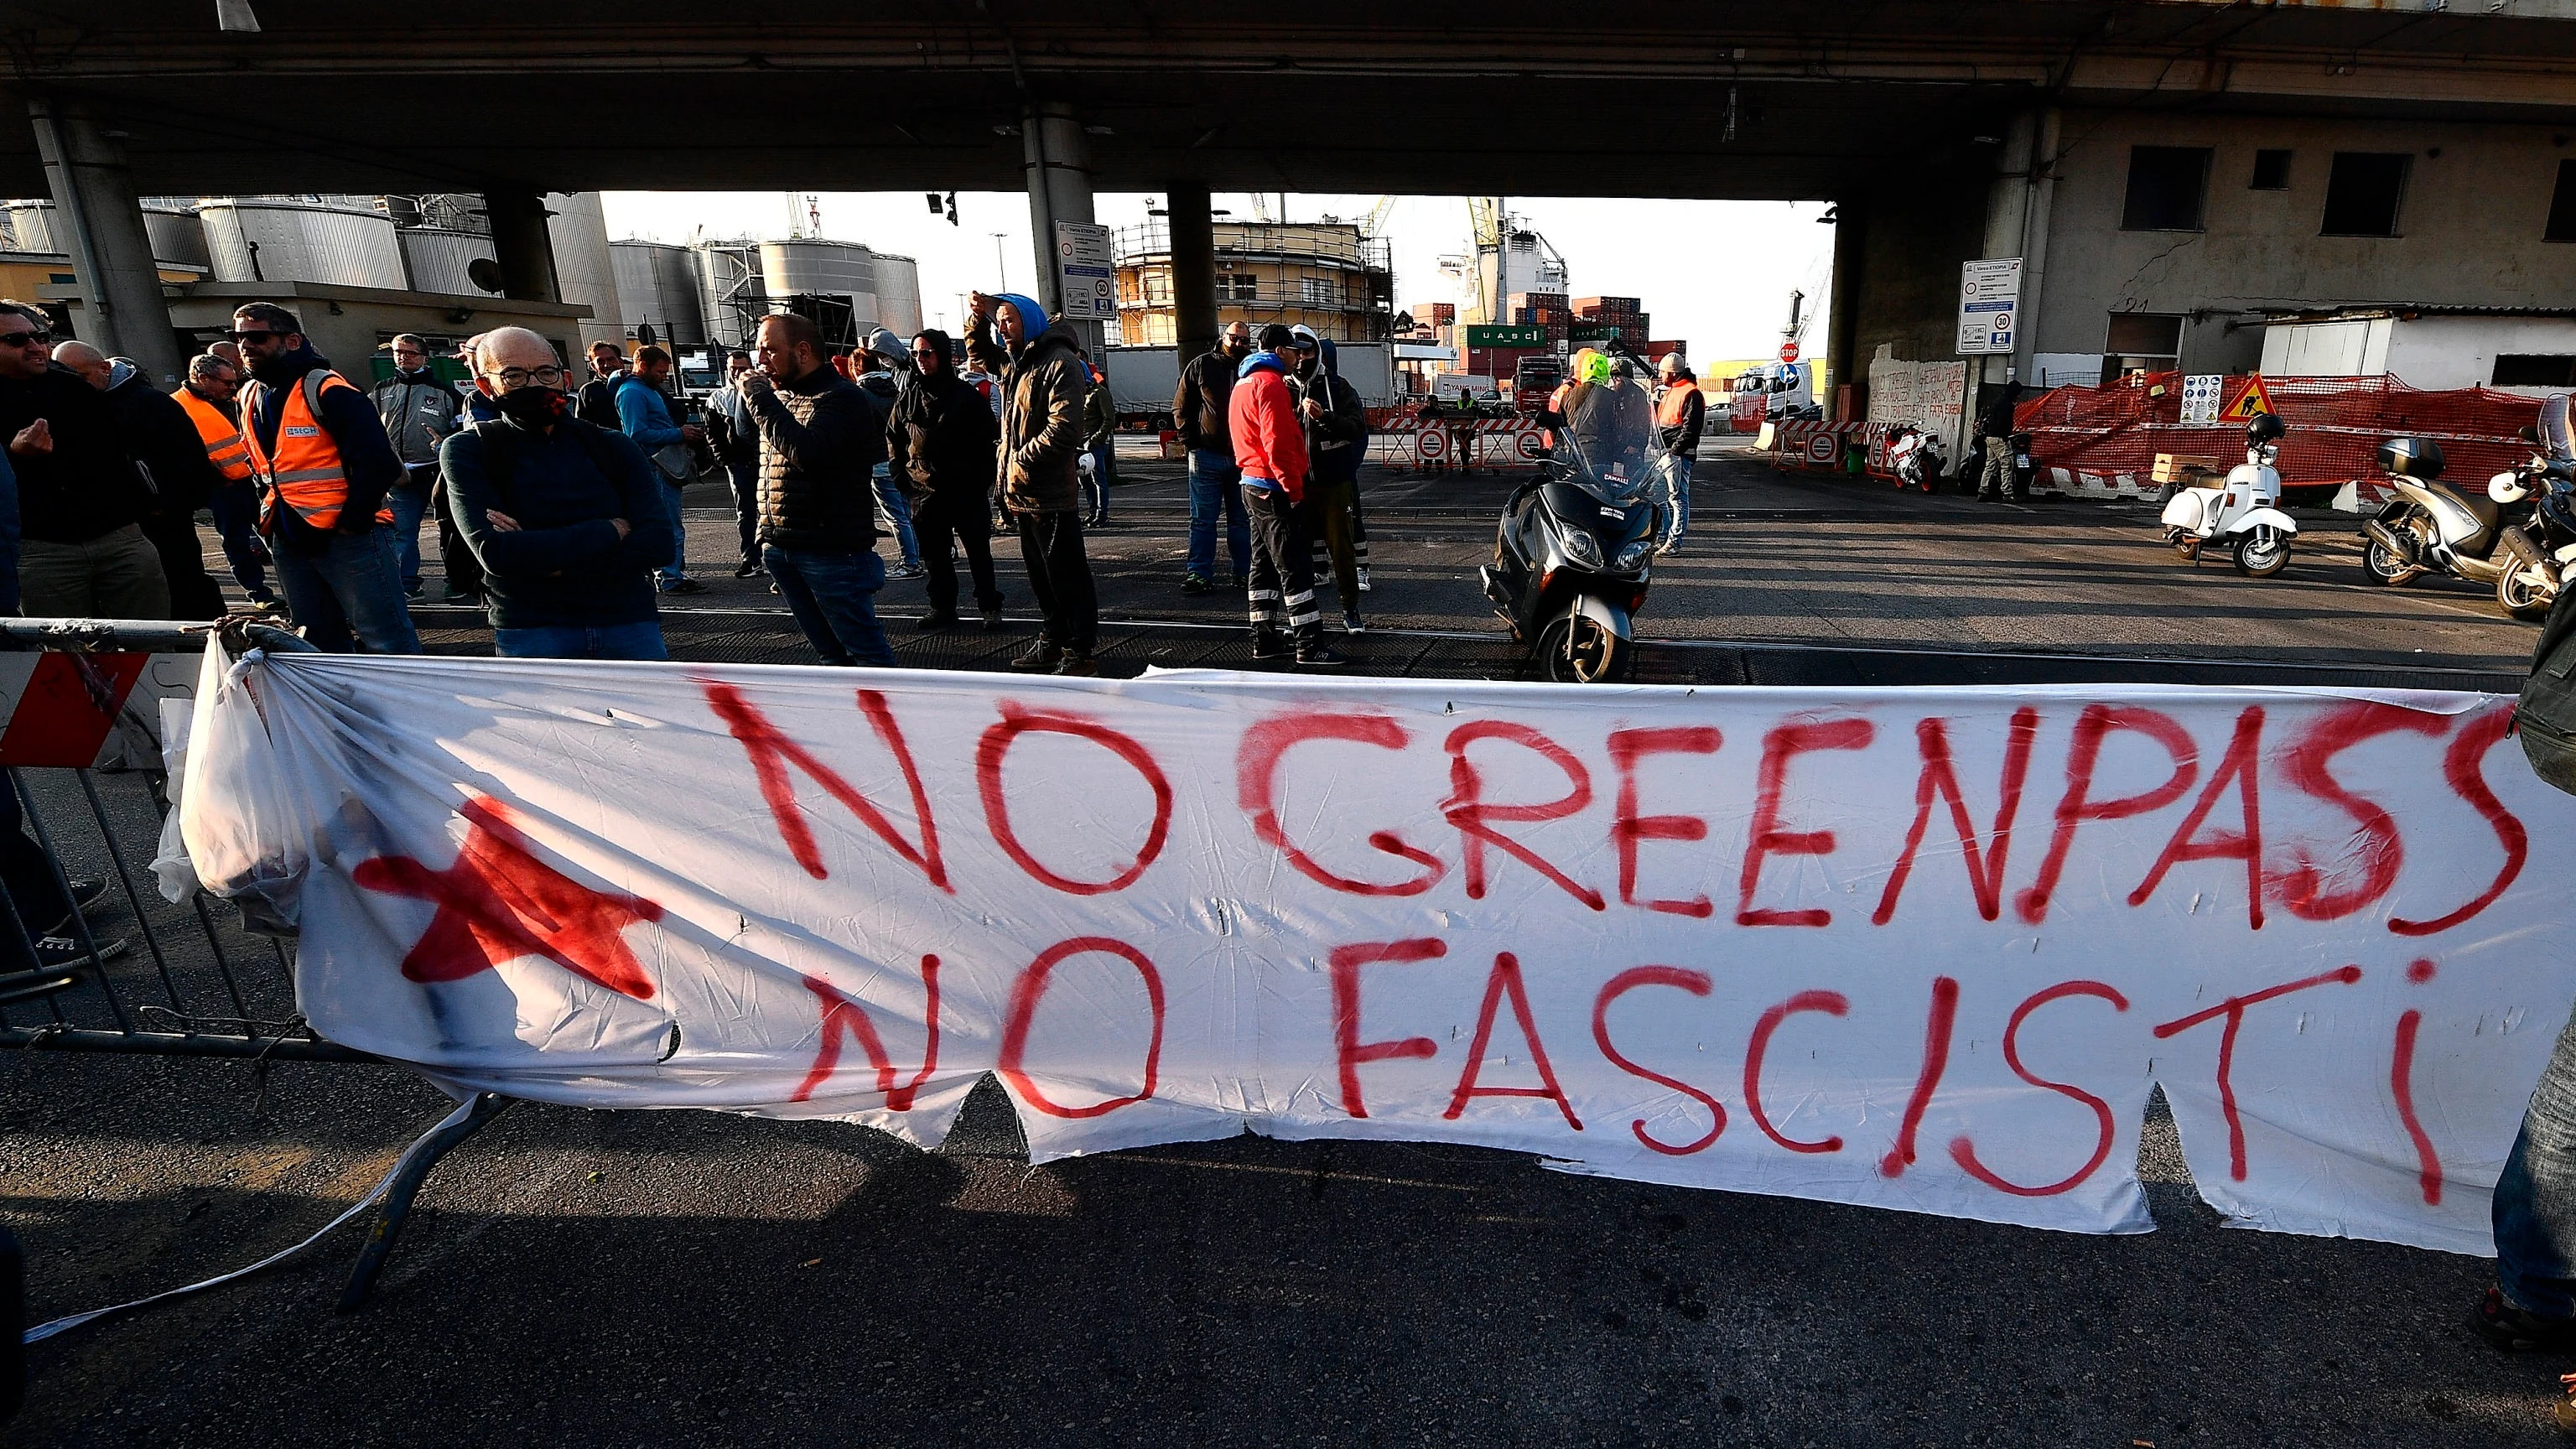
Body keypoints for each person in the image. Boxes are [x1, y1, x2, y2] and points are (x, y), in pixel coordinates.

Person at [440, 327, 673, 661]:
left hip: (628, 620)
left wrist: (546, 561)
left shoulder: (613, 445)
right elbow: (496, 553)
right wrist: (611, 529)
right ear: (486, 386)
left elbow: (658, 542)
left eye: (545, 373)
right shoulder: (470, 449)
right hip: (533, 628)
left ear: (565, 378)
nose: (535, 385)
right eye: (514, 375)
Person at [231, 301, 419, 653]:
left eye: (257, 337)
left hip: (348, 536)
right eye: (239, 337)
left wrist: (353, 520)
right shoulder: (250, 394)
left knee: (386, 638)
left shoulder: (329, 390)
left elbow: (380, 464)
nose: (246, 345)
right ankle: (338, 707)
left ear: (291, 341)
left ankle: (405, 708)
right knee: (316, 640)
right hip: (289, 534)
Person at [745, 311, 895, 667]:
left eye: (769, 351)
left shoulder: (842, 398)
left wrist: (760, 400)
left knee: (866, 653)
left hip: (830, 549)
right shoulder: (782, 398)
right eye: (758, 352)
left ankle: (891, 719)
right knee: (830, 654)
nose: (762, 361)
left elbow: (808, 454)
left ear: (802, 351)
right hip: (783, 544)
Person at [0, 304, 165, 619]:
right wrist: (13, 455)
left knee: (148, 644)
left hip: (119, 538)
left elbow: (122, 454)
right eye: (16, 340)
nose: (36, 347)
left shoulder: (72, 387)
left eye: (39, 337)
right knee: (64, 659)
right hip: (42, 549)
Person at [969, 290, 1098, 676]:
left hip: (1049, 493)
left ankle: (1080, 650)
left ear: (1031, 320)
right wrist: (980, 316)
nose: (1002, 327)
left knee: (1067, 576)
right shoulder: (1018, 363)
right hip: (1022, 493)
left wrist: (1019, 462)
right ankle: (1054, 638)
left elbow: (1064, 429)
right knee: (1043, 579)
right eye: (1000, 321)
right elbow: (979, 354)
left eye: (1010, 319)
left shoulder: (1060, 364)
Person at [78, 348, 227, 620]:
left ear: (103, 369)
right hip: (122, 521)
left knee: (183, 583)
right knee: (140, 591)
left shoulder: (147, 403)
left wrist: (165, 504)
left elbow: (187, 459)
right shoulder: (88, 403)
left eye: (81, 376)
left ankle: (205, 642)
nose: (75, 383)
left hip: (161, 517)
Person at [1229, 324, 1343, 667]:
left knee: (1262, 564)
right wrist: (1293, 489)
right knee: (1294, 566)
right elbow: (1277, 443)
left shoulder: (1242, 384)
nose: (1299, 356)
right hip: (1273, 487)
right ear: (1280, 352)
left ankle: (1263, 639)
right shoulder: (1272, 386)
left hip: (1251, 483)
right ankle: (1309, 644)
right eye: (1295, 350)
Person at [886, 328, 1005, 632]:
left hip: (965, 491)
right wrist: (903, 479)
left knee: (979, 554)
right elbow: (894, 439)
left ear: (941, 354)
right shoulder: (908, 396)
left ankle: (990, 608)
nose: (921, 360)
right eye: (915, 354)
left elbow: (988, 442)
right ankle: (942, 608)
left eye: (926, 353)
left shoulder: (965, 396)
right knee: (936, 559)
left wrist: (980, 482)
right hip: (924, 492)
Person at [173, 351, 278, 608]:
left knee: (277, 535)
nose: (233, 387)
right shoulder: (177, 407)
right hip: (224, 489)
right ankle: (258, 593)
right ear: (202, 378)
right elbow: (181, 453)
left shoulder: (234, 399)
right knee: (236, 541)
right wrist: (214, 481)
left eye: (234, 381)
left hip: (256, 480)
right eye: (227, 382)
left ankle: (296, 586)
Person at [1284, 327, 1367, 634]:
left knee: (1341, 549)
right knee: (1296, 552)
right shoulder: (1282, 388)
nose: (1303, 359)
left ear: (1318, 353)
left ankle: (1350, 609)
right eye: (1298, 352)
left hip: (1334, 483)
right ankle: (1300, 616)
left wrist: (1325, 417)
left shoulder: (1337, 386)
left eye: (1309, 352)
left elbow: (1357, 429)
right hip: (1296, 483)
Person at [614, 345, 706, 595]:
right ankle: (670, 577)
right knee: (668, 523)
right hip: (656, 465)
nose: (664, 377)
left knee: (669, 522)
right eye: (660, 371)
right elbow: (636, 433)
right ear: (642, 366)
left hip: (660, 464)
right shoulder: (633, 392)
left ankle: (671, 573)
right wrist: (679, 433)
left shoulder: (642, 390)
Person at [1173, 320, 1252, 593]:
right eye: (1235, 338)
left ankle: (1243, 573)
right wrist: (1191, 444)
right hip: (1206, 455)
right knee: (1203, 520)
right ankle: (1199, 574)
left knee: (1241, 521)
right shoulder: (1201, 365)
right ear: (1223, 337)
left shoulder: (1251, 369)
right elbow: (1181, 406)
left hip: (1243, 458)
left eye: (1244, 340)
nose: (1239, 344)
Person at [855, 330, 925, 580]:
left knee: (896, 515)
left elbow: (862, 432)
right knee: (908, 511)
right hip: (901, 458)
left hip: (878, 461)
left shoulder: (862, 394)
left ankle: (910, 561)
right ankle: (919, 555)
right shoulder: (895, 387)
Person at [705, 350, 763, 578]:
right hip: (738, 464)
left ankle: (778, 561)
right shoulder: (718, 398)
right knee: (745, 513)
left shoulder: (761, 391)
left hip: (763, 461)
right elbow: (712, 432)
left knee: (772, 511)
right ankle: (751, 558)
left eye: (742, 367)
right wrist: (723, 458)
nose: (737, 372)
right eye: (733, 368)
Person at [1653, 355, 1705, 554]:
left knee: (1677, 497)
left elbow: (1691, 428)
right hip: (1667, 454)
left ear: (1672, 373)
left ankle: (1674, 541)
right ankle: (1665, 536)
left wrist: (1674, 452)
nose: (1660, 375)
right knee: (1663, 495)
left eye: (1663, 371)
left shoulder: (1691, 394)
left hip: (1678, 456)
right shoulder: (1673, 392)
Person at [1079, 351, 1117, 527]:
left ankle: (1102, 513)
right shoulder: (1080, 394)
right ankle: (1092, 510)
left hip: (1094, 444)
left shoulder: (1099, 392)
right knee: (1085, 480)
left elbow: (1109, 419)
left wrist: (1096, 438)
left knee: (1098, 479)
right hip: (1080, 444)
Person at [1976, 377, 2024, 503]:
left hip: (1991, 437)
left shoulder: (1998, 401)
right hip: (2000, 438)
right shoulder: (2006, 404)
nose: (2018, 397)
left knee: (1990, 465)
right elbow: (2004, 422)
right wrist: (2005, 435)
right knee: (2007, 464)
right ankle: (2007, 493)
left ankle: (1983, 490)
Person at [575, 340, 628, 429]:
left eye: (611, 359)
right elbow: (582, 428)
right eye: (600, 362)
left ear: (621, 362)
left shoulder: (635, 384)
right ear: (593, 366)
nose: (607, 365)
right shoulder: (588, 391)